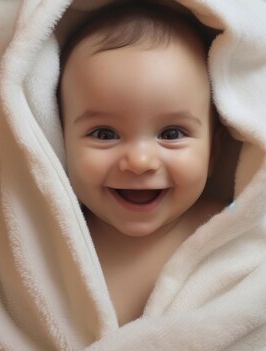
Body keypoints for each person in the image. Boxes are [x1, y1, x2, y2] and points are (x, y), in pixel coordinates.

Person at [57, 1, 226, 326]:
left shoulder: (229, 227)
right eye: (104, 134)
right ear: (58, 140)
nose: (139, 161)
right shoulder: (52, 239)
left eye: (171, 133)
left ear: (213, 150)